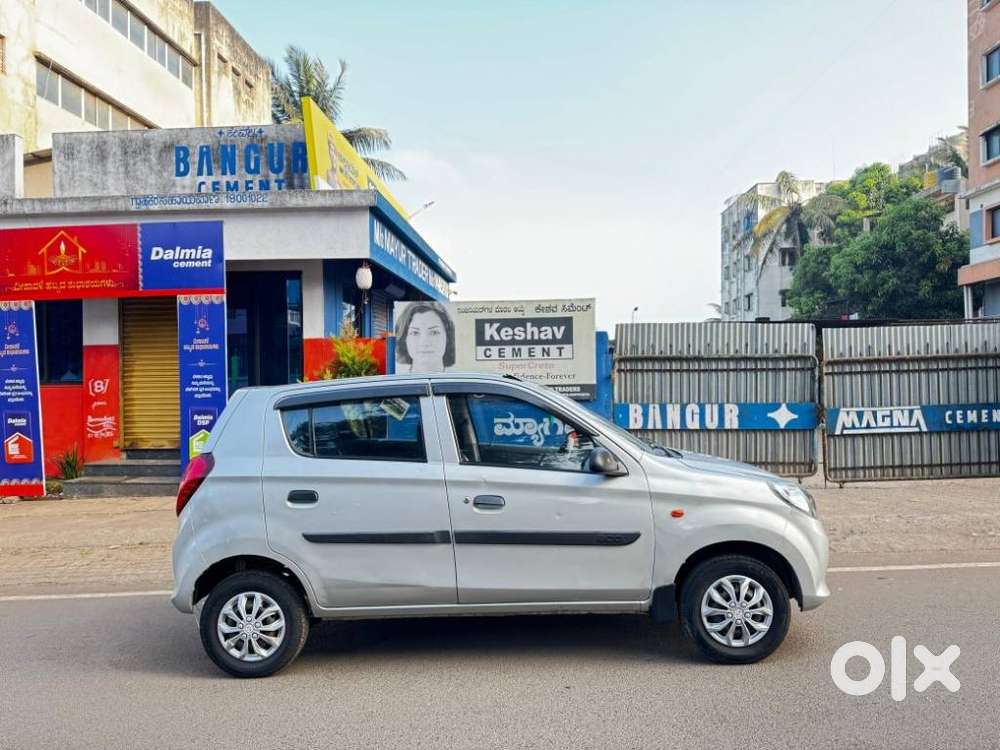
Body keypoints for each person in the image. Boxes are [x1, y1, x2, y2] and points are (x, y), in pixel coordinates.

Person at [395, 301, 456, 373]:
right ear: (404, 339)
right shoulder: (399, 382)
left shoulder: (457, 381)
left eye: (434, 332)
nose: (424, 342)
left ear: (448, 337)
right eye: (415, 333)